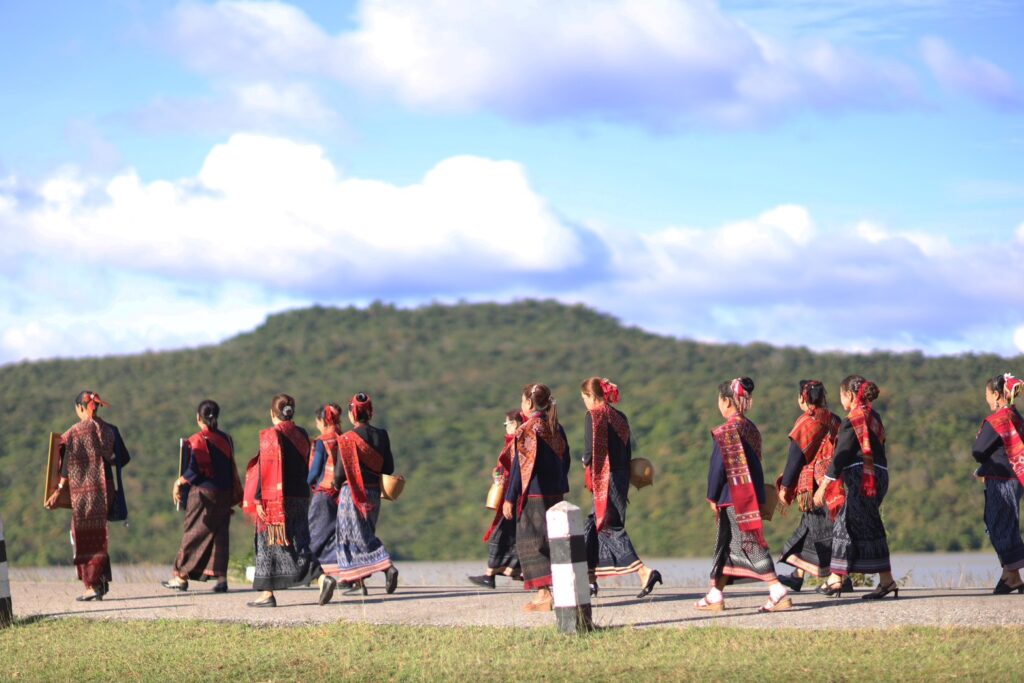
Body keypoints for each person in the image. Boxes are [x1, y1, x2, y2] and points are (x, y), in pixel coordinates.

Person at [698, 377, 791, 613]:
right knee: (726, 544)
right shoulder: (750, 428)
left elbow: (718, 467)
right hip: (748, 495)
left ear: (727, 402)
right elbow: (757, 466)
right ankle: (715, 594)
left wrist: (711, 496)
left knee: (749, 544)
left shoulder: (728, 429)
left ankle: (777, 589)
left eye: (719, 400)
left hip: (732, 497)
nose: (718, 404)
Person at [813, 375, 896, 599]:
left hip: (863, 478)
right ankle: (879, 580)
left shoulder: (853, 419)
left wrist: (823, 487)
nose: (841, 400)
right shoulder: (874, 417)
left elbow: (841, 456)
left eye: (841, 396)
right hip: (878, 476)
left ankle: (836, 579)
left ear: (849, 395)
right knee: (864, 524)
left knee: (845, 524)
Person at [45, 391, 131, 601]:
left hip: (85, 492)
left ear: (80, 408)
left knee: (84, 536)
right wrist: (106, 457)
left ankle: (93, 586)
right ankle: (100, 583)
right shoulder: (110, 430)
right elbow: (123, 458)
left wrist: (57, 491)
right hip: (106, 489)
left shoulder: (73, 433)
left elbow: (65, 467)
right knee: (98, 534)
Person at [580, 377, 662, 598]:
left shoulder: (593, 416)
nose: (584, 403)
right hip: (621, 478)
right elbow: (627, 453)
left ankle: (644, 572)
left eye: (584, 398)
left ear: (591, 396)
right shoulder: (620, 417)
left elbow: (589, 453)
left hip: (605, 478)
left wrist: (584, 462)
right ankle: (590, 578)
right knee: (593, 525)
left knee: (608, 526)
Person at [242, 394, 316, 608]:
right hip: (301, 496)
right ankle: (320, 577)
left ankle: (267, 593)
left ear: (272, 413)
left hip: (277, 499)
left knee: (265, 542)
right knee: (300, 540)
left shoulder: (271, 436)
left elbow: (266, 471)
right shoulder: (302, 434)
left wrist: (258, 499)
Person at [502, 383, 571, 613]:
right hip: (555, 493)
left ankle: (544, 595)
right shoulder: (555, 427)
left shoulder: (527, 429)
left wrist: (509, 498)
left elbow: (518, 471)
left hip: (534, 494)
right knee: (552, 541)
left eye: (522, 401)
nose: (521, 405)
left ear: (529, 403)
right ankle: (555, 591)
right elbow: (566, 461)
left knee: (531, 542)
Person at [776, 381, 846, 593]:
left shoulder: (807, 421)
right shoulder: (835, 419)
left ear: (802, 398)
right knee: (811, 528)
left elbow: (795, 458)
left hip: (818, 486)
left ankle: (839, 577)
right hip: (837, 482)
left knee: (821, 530)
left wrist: (785, 488)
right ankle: (798, 576)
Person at [163, 400, 240, 593]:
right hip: (224, 493)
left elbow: (194, 471)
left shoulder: (196, 440)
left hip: (203, 494)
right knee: (220, 535)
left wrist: (179, 482)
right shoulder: (227, 439)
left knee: (193, 533)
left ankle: (180, 576)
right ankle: (221, 579)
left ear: (199, 417)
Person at [332, 392, 399, 595]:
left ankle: (386, 565)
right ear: (370, 412)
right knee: (364, 531)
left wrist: (335, 485)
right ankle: (357, 582)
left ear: (352, 413)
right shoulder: (382, 435)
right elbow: (389, 467)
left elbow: (339, 472)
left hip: (351, 492)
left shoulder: (347, 438)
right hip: (373, 493)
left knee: (349, 534)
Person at [971, 373, 1024, 594]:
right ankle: (1011, 577)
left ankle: (1012, 574)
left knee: (997, 524)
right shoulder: (1016, 416)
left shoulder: (998, 420)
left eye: (987, 395)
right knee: (1006, 524)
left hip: (1002, 480)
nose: (986, 400)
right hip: (1015, 479)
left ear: (996, 394)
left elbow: (979, 450)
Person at [468, 410, 524, 588]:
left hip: (513, 495)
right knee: (512, 535)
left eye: (507, 424)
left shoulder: (518, 442)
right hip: (514, 494)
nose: (506, 428)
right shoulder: (514, 442)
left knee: (500, 534)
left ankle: (490, 575)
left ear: (515, 424)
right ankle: (513, 571)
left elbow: (515, 470)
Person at [307, 402, 344, 605]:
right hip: (340, 495)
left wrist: (305, 481)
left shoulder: (323, 441)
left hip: (323, 493)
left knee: (311, 535)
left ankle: (318, 575)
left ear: (323, 421)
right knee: (333, 535)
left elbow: (314, 472)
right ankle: (346, 576)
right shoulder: (345, 438)